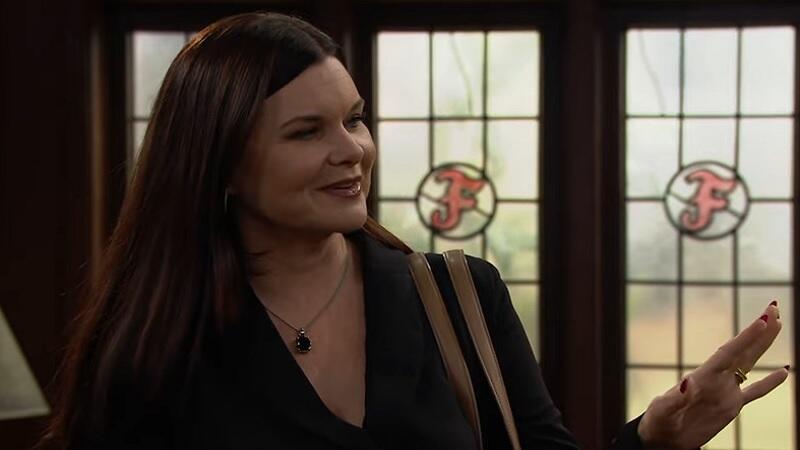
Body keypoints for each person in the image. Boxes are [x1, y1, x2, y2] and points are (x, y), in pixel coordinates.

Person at [42, 11, 788, 450]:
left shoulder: (458, 296)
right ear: (222, 163)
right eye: (307, 131)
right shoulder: (153, 341)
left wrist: (654, 438)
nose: (352, 151)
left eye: (355, 118)